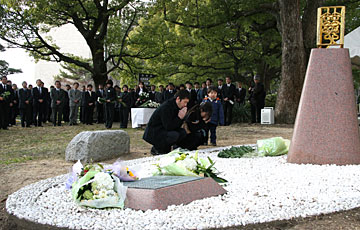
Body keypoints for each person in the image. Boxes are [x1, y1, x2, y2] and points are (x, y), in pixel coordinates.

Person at [143, 90, 190, 155]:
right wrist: (179, 118)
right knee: (174, 135)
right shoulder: (166, 107)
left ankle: (174, 148)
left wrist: (181, 118)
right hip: (154, 132)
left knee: (182, 132)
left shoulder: (176, 106)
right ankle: (157, 148)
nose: (185, 105)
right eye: (184, 102)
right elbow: (168, 126)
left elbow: (176, 125)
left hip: (163, 130)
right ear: (178, 99)